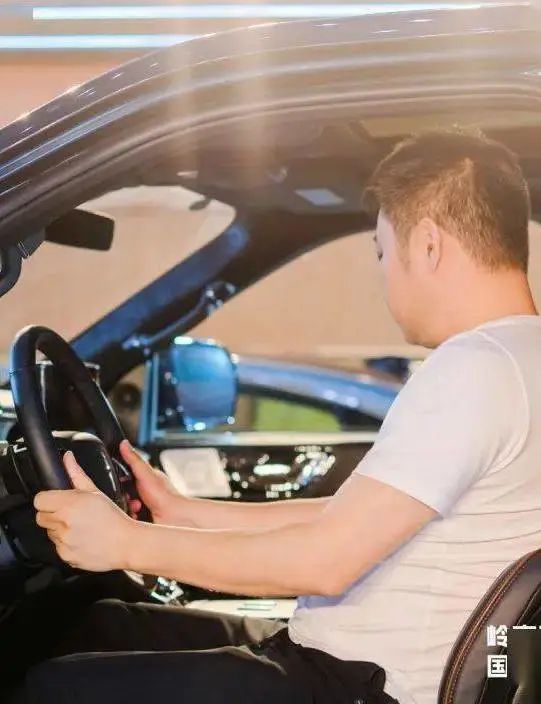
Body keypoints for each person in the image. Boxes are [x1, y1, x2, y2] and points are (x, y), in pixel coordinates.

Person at [13, 128, 541, 704]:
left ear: (431, 245)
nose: (385, 274)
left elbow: (326, 561)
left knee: (48, 688)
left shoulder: (475, 367)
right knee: (100, 625)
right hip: (337, 658)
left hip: (353, 683)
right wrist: (184, 513)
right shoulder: (519, 358)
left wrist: (125, 542)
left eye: (383, 252)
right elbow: (350, 518)